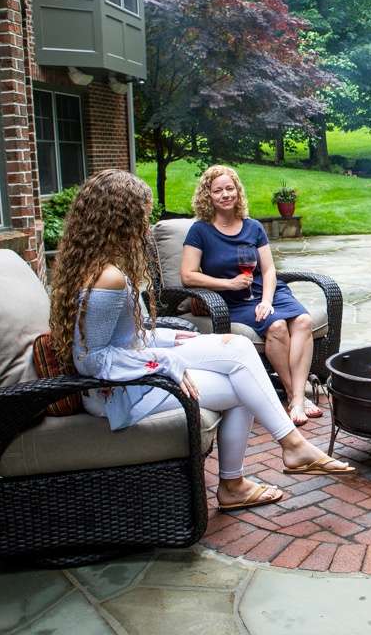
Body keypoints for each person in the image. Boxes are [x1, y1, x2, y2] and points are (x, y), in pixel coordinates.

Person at [48, 169, 353, 513]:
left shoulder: (102, 266)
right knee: (242, 387)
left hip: (136, 369)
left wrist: (166, 336)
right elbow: (91, 359)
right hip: (119, 394)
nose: (146, 227)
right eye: (142, 217)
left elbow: (124, 338)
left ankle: (280, 453)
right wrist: (165, 361)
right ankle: (247, 476)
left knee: (238, 351)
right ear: (121, 219)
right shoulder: (107, 277)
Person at [180, 165, 320, 426]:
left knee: (303, 322)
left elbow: (268, 270)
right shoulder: (200, 231)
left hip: (267, 292)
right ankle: (292, 394)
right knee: (277, 327)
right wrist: (228, 284)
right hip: (232, 299)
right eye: (218, 190)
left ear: (238, 191)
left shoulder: (253, 227)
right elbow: (187, 275)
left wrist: (267, 301)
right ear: (207, 196)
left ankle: (298, 398)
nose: (225, 195)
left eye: (229, 188)